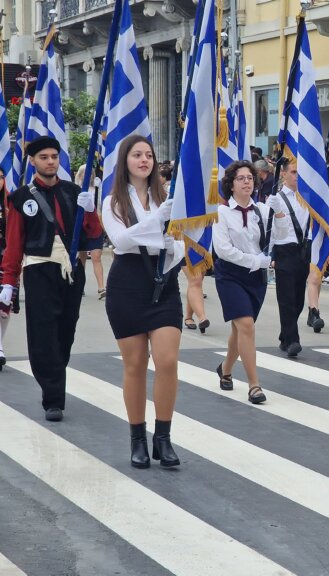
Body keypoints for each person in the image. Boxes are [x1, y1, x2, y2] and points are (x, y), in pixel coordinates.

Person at [0, 136, 103, 421]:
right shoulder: (21, 198)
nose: (50, 161)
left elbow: (93, 235)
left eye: (54, 156)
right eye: (44, 157)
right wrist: (9, 281)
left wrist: (91, 209)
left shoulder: (73, 192)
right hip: (39, 270)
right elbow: (14, 242)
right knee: (43, 333)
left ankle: (55, 375)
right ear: (33, 161)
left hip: (70, 272)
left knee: (65, 333)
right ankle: (53, 397)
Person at [101, 135, 185, 469]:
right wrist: (154, 222)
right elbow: (121, 241)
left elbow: (180, 241)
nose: (144, 160)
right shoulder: (112, 202)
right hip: (128, 283)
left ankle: (162, 438)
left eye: (149, 155)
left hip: (163, 281)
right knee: (135, 364)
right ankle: (137, 437)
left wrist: (171, 244)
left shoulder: (166, 198)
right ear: (125, 161)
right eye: (137, 155)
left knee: (167, 361)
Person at [212, 161, 288, 403]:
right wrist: (256, 261)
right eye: (240, 178)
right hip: (230, 275)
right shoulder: (221, 213)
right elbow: (223, 250)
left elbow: (283, 236)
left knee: (239, 329)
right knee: (246, 325)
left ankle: (225, 368)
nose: (247, 182)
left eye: (250, 178)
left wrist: (279, 213)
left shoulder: (262, 210)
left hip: (256, 279)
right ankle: (254, 385)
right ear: (230, 185)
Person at [271, 159, 310, 357]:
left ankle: (285, 334)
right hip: (284, 250)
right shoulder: (276, 198)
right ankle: (293, 340)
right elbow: (271, 230)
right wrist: (269, 254)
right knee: (286, 298)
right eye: (293, 172)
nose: (297, 176)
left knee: (299, 299)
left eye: (299, 173)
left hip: (303, 250)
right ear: (284, 174)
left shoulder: (309, 196)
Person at [74, 164, 106, 300]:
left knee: (96, 256)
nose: (87, 176)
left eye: (90, 173)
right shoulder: (74, 190)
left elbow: (102, 208)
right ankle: (80, 286)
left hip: (95, 227)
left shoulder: (98, 190)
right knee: (81, 258)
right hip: (81, 227)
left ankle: (101, 288)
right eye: (83, 173)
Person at [0, 168, 19, 368]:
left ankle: (0, 344)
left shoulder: (9, 202)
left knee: (4, 307)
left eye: (1, 177)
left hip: (5, 258)